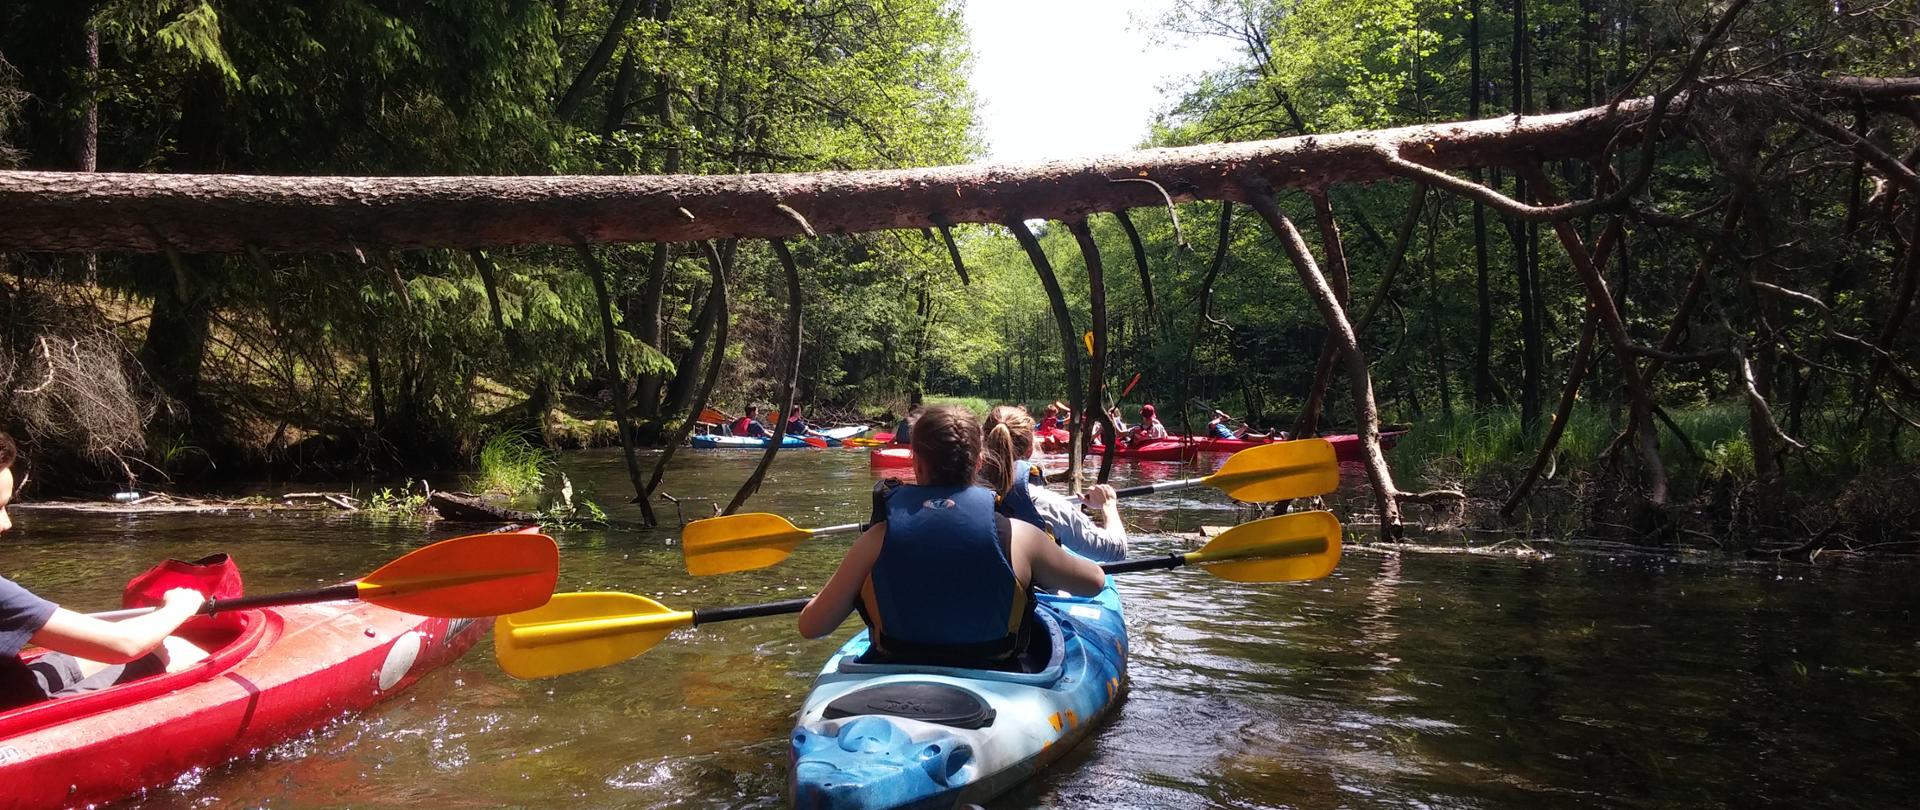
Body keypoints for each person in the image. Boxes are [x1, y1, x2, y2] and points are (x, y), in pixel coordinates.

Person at [798, 407, 1106, 669]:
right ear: (979, 463)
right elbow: (1094, 582)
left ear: (915, 462)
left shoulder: (877, 539)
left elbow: (811, 626)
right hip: (996, 676)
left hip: (896, 672)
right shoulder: (1022, 537)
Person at [0, 431, 209, 711]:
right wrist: (181, 606)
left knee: (158, 643)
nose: (7, 523)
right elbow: (125, 645)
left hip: (12, 687)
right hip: (24, 714)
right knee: (178, 652)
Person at [981, 405, 1128, 561]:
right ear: (1030, 449)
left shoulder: (958, 496)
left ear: (984, 442)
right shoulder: (1048, 505)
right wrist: (1109, 504)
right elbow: (1116, 551)